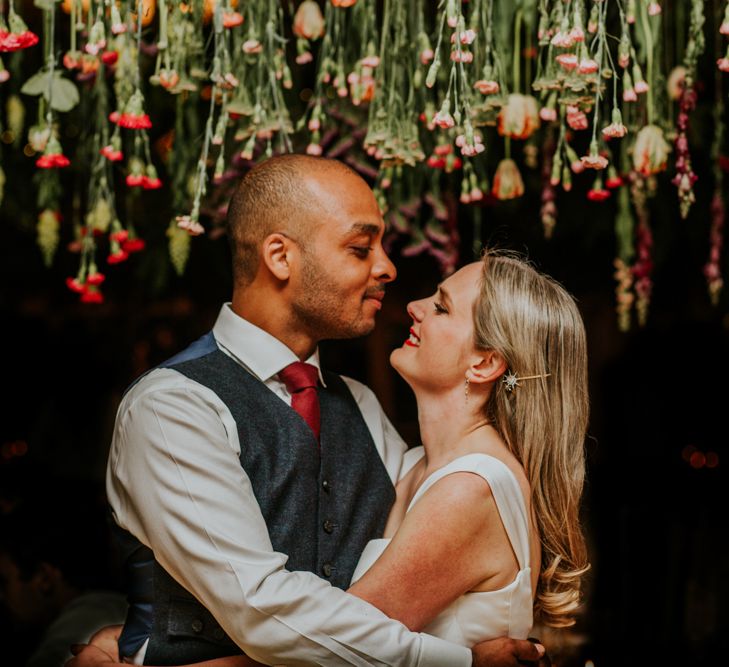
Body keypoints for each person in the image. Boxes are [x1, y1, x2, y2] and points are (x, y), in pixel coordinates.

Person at [76, 155, 548, 667]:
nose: (388, 267)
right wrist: (459, 662)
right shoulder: (174, 406)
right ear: (280, 256)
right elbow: (261, 607)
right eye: (360, 248)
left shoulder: (359, 404)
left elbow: (408, 564)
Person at [0, 483, 128, 667]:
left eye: (4, 582)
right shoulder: (114, 607)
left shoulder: (84, 624)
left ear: (44, 579)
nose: (2, 596)